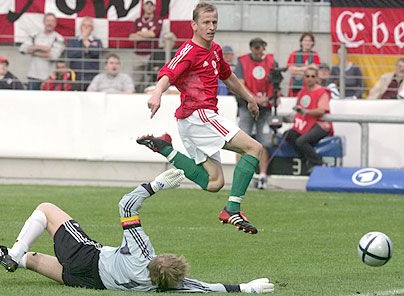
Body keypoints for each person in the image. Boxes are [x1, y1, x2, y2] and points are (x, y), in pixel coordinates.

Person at [0, 169, 275, 294]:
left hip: (87, 258)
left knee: (46, 209)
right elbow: (208, 288)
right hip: (89, 281)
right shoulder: (170, 288)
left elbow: (126, 206)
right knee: (33, 259)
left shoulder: (142, 253)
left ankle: (11, 254)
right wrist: (247, 288)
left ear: (159, 258)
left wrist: (157, 184)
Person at [137, 3, 263, 234]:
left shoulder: (214, 50)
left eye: (214, 22)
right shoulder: (189, 50)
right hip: (199, 115)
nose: (211, 27)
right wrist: (157, 93)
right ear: (194, 25)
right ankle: (232, 209)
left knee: (214, 183)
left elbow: (229, 77)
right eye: (206, 22)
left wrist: (249, 98)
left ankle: (165, 149)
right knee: (254, 148)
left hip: (190, 122)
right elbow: (168, 72)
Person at [234, 37, 279, 190]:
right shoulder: (242, 62)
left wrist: (270, 98)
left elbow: (276, 83)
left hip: (265, 108)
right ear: (252, 48)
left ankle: (263, 176)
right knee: (241, 141)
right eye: (256, 48)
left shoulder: (272, 63)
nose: (259, 51)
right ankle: (239, 175)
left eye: (261, 47)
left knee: (263, 143)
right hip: (246, 106)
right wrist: (253, 99)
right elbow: (239, 84)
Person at [284, 67, 332, 173]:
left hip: (320, 125)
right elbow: (299, 108)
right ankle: (306, 159)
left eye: (312, 76)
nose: (310, 78)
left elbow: (321, 110)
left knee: (301, 141)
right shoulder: (303, 91)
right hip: (305, 123)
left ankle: (317, 163)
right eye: (307, 76)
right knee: (288, 135)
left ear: (317, 78)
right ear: (304, 78)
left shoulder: (322, 92)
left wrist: (306, 111)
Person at [19, 13, 65, 90]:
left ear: (55, 23)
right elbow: (22, 49)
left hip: (49, 77)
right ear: (44, 22)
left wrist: (33, 51)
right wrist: (41, 48)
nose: (49, 23)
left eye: (52, 21)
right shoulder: (35, 35)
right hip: (33, 75)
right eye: (47, 20)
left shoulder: (59, 38)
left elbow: (53, 56)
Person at [129, 0, 163, 93]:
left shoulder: (157, 20)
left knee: (150, 79)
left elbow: (153, 34)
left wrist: (139, 33)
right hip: (138, 54)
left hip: (151, 55)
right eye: (147, 4)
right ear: (143, 6)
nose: (149, 7)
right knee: (136, 79)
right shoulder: (138, 21)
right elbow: (132, 37)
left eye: (151, 5)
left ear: (154, 7)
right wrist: (146, 34)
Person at [66, 17, 103, 91]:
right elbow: (71, 54)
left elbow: (95, 53)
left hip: (92, 77)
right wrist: (85, 49)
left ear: (92, 29)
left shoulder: (97, 41)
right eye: (84, 25)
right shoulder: (73, 41)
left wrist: (86, 41)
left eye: (88, 26)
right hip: (76, 77)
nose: (86, 27)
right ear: (80, 27)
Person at [286, 32, 320, 97]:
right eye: (305, 40)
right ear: (301, 42)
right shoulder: (294, 54)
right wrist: (306, 67)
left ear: (312, 43)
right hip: (296, 87)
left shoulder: (315, 55)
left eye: (310, 41)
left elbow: (316, 69)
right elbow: (291, 70)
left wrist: (298, 70)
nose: (307, 43)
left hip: (310, 87)